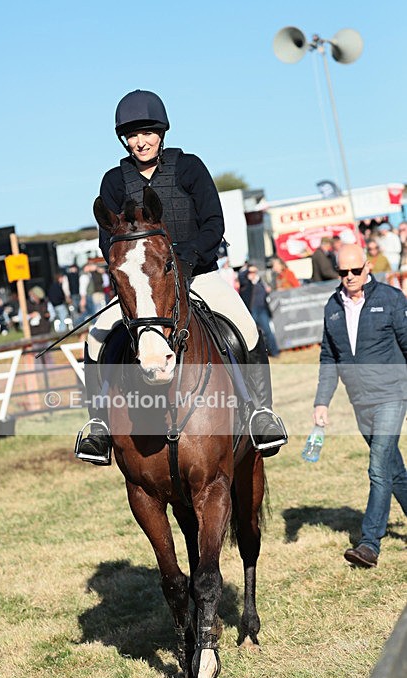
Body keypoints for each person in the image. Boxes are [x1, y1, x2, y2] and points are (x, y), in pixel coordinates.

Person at [75, 89, 288, 464]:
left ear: (162, 133)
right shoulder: (113, 180)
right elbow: (108, 237)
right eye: (133, 135)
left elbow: (213, 223)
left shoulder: (188, 167)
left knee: (246, 327)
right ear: (124, 138)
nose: (141, 142)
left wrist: (188, 257)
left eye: (148, 133)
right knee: (95, 340)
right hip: (144, 288)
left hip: (197, 275)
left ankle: (260, 413)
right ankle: (98, 426)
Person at [313, 243, 407, 568]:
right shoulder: (332, 307)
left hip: (392, 396)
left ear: (367, 267)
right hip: (360, 402)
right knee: (395, 472)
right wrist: (321, 402)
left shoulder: (392, 300)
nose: (350, 277)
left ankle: (369, 544)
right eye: (343, 272)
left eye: (355, 270)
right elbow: (329, 357)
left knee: (378, 469)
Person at [239, 265, 280, 357]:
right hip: (251, 311)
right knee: (252, 334)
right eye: (251, 272)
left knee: (268, 332)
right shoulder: (246, 283)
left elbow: (267, 290)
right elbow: (241, 276)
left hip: (262, 310)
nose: (254, 274)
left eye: (254, 272)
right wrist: (248, 271)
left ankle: (274, 352)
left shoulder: (260, 282)